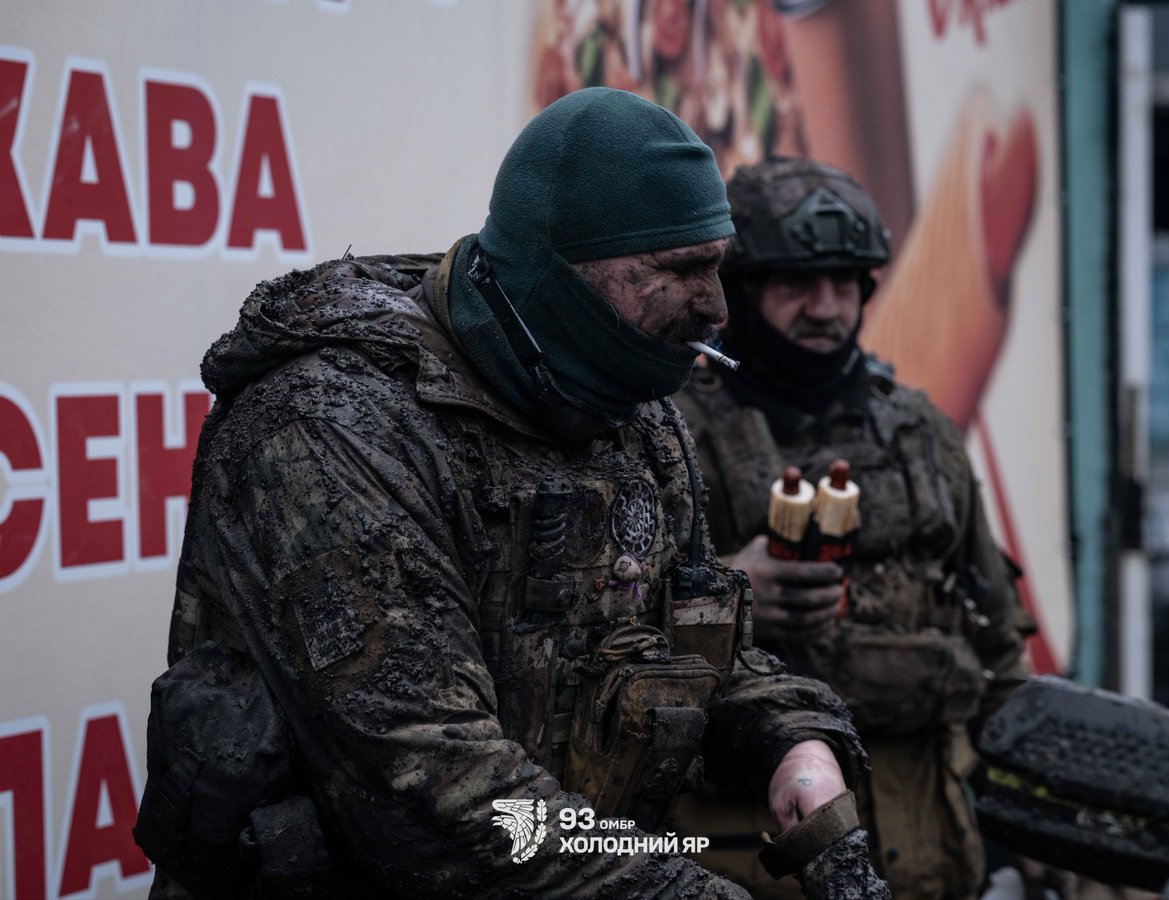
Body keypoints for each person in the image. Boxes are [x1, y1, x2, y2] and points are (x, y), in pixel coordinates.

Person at [136, 90, 891, 898]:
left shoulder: (629, 412)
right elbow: (436, 782)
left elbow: (700, 653)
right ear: (561, 267)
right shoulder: (329, 427)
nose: (714, 307)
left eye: (716, 265)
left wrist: (795, 747)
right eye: (680, 271)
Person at [673, 158, 1031, 900]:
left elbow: (997, 644)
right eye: (795, 285)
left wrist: (1030, 827)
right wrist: (731, 592)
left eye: (843, 283)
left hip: (928, 839)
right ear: (741, 291)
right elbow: (605, 642)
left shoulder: (920, 431)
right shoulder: (673, 433)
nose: (825, 308)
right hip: (758, 849)